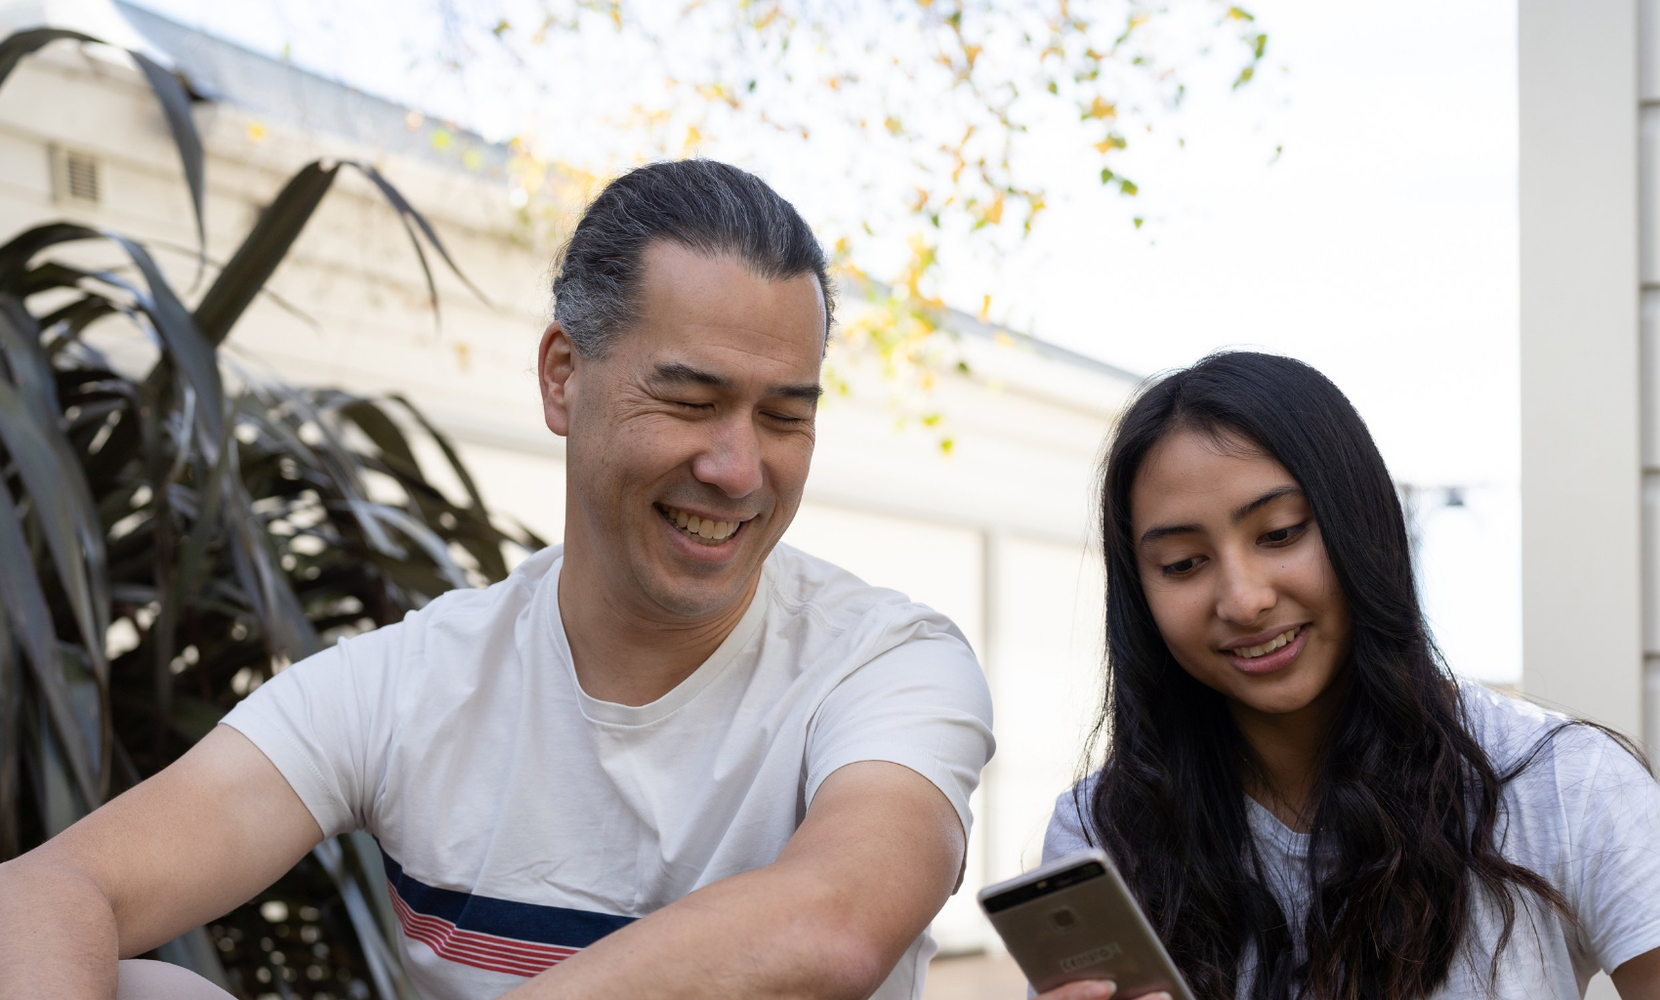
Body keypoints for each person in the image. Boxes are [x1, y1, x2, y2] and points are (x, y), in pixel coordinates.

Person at [0, 160, 995, 1000]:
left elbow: (834, 920)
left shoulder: (887, 664)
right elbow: (56, 888)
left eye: (784, 417)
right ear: (563, 375)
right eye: (690, 400)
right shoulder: (411, 680)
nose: (738, 469)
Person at [1035, 352, 1660, 1000]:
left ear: (1362, 524)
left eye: (1281, 533)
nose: (1245, 598)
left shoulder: (1562, 786)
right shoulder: (1104, 833)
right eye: (1184, 564)